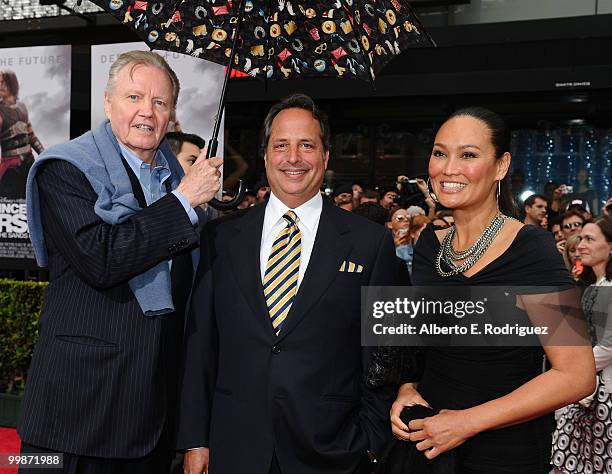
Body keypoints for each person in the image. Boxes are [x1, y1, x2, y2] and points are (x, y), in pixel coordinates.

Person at [18, 51, 223, 473]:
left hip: (151, 419)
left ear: (171, 116)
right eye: (134, 97)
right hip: (71, 417)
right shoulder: (64, 169)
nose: (146, 112)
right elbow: (102, 258)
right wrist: (183, 201)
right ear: (108, 103)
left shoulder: (177, 182)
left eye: (160, 102)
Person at [177, 93, 396, 474]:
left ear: (326, 156)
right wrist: (195, 439)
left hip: (332, 453)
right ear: (265, 156)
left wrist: (372, 444)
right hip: (233, 445)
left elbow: (382, 354)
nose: (293, 158)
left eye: (306, 145)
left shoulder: (370, 243)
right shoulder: (221, 237)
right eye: (281, 145)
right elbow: (201, 346)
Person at [388, 107, 595, 473]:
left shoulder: (532, 248)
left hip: (502, 453)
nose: (448, 168)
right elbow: (420, 344)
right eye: (440, 153)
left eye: (468, 154)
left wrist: (466, 423)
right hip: (428, 441)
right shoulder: (428, 247)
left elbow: (576, 375)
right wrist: (406, 388)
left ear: (501, 166)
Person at [552, 217, 612, 474]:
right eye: (580, 239)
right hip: (583, 392)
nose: (580, 245)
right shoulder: (593, 287)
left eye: (590, 239)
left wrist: (570, 369)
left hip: (602, 397)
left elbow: (608, 347)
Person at [0, 70, 44, 198]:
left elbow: (31, 136)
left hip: (28, 164)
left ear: (11, 83)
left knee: (30, 200)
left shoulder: (22, 107)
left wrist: (45, 155)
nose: (0, 85)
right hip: (10, 168)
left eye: (2, 82)